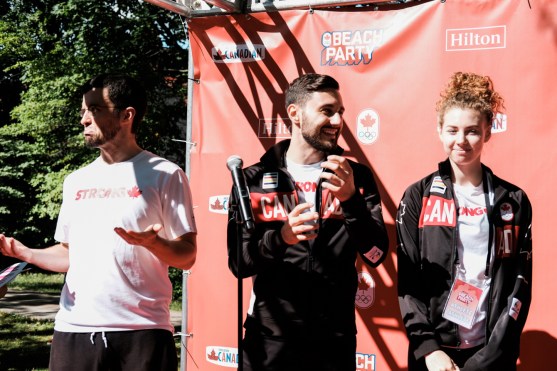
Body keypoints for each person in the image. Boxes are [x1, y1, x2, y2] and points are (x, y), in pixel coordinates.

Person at [0, 73, 197, 370]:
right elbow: (68, 254)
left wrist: (155, 244)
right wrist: (24, 253)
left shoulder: (165, 174)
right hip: (74, 330)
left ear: (126, 115)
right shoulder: (76, 181)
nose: (83, 120)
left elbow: (187, 256)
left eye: (94, 110)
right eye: (83, 111)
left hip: (141, 332)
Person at [227, 73, 389, 371]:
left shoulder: (355, 177)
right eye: (327, 111)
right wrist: (282, 238)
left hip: (333, 342)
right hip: (268, 341)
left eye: (340, 112)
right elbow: (240, 263)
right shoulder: (252, 179)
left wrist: (351, 200)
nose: (338, 121)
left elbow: (376, 255)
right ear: (295, 114)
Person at [396, 72, 532, 371]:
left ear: (487, 132)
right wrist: (429, 350)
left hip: (490, 355)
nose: (461, 141)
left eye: (472, 131)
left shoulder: (513, 200)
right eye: (452, 130)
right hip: (434, 357)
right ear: (439, 131)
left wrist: (487, 359)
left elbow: (519, 286)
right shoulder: (417, 196)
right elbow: (408, 283)